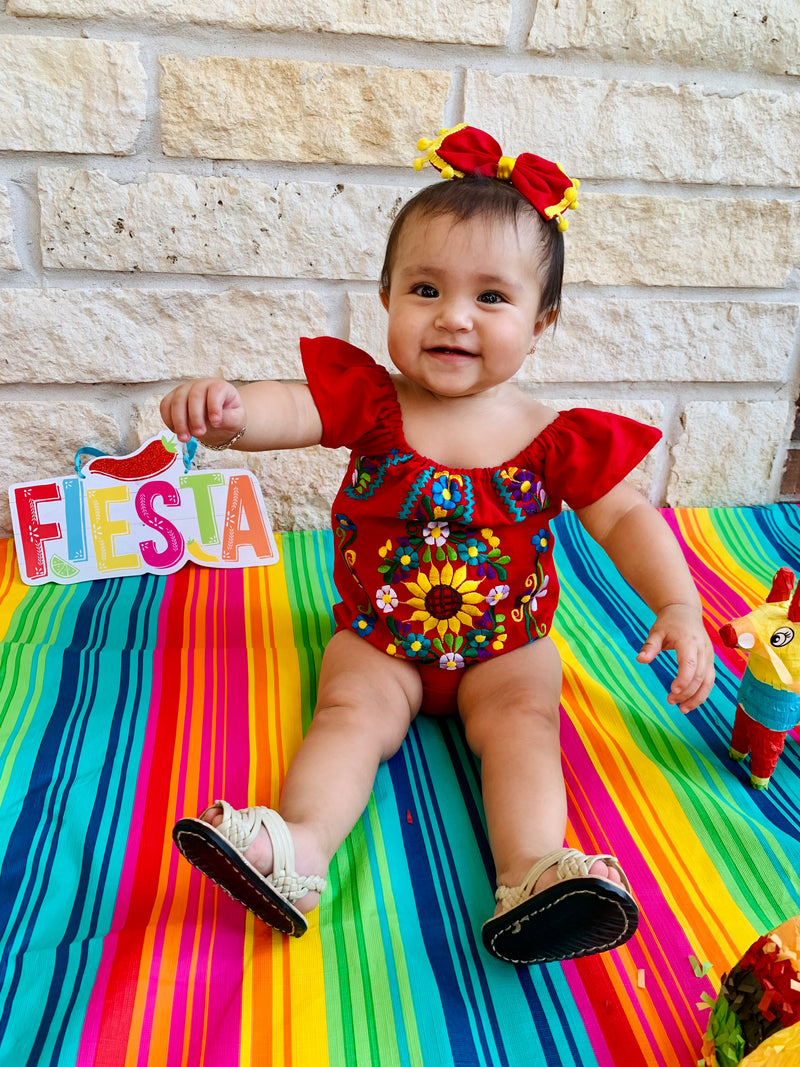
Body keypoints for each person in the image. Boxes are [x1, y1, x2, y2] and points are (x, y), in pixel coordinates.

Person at [164, 125, 715, 966]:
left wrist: (678, 603)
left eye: (492, 297)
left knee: (529, 725)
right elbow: (291, 405)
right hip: (380, 638)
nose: (453, 316)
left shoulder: (551, 436)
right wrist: (234, 410)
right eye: (425, 287)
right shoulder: (371, 402)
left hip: (507, 646)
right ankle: (299, 850)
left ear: (543, 320)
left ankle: (533, 875)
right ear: (387, 297)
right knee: (347, 715)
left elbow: (627, 517)